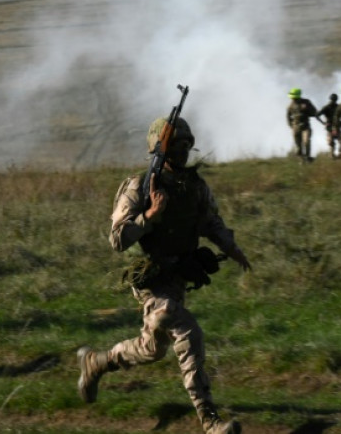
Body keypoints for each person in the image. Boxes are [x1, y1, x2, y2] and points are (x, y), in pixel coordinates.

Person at [77, 117, 252, 434]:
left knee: (152, 349)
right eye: (177, 145)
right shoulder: (140, 186)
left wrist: (232, 247)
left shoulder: (194, 186)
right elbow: (117, 239)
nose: (184, 151)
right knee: (187, 331)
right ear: (161, 148)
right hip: (149, 279)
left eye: (187, 144)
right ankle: (209, 419)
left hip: (177, 277)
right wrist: (149, 216)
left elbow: (211, 221)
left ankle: (97, 362)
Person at [286, 88, 318, 162]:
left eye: (294, 97)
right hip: (295, 127)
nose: (293, 99)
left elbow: (314, 112)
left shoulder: (306, 102)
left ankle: (307, 157)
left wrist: (306, 110)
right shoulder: (290, 106)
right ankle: (301, 159)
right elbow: (288, 116)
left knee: (306, 141)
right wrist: (291, 125)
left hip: (305, 127)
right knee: (298, 146)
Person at [318, 93, 340, 159]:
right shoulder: (326, 107)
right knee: (331, 143)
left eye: (334, 100)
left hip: (337, 126)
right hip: (329, 127)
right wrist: (323, 123)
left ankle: (340, 155)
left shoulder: (338, 107)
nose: (333, 102)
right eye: (332, 100)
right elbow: (317, 115)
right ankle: (332, 157)